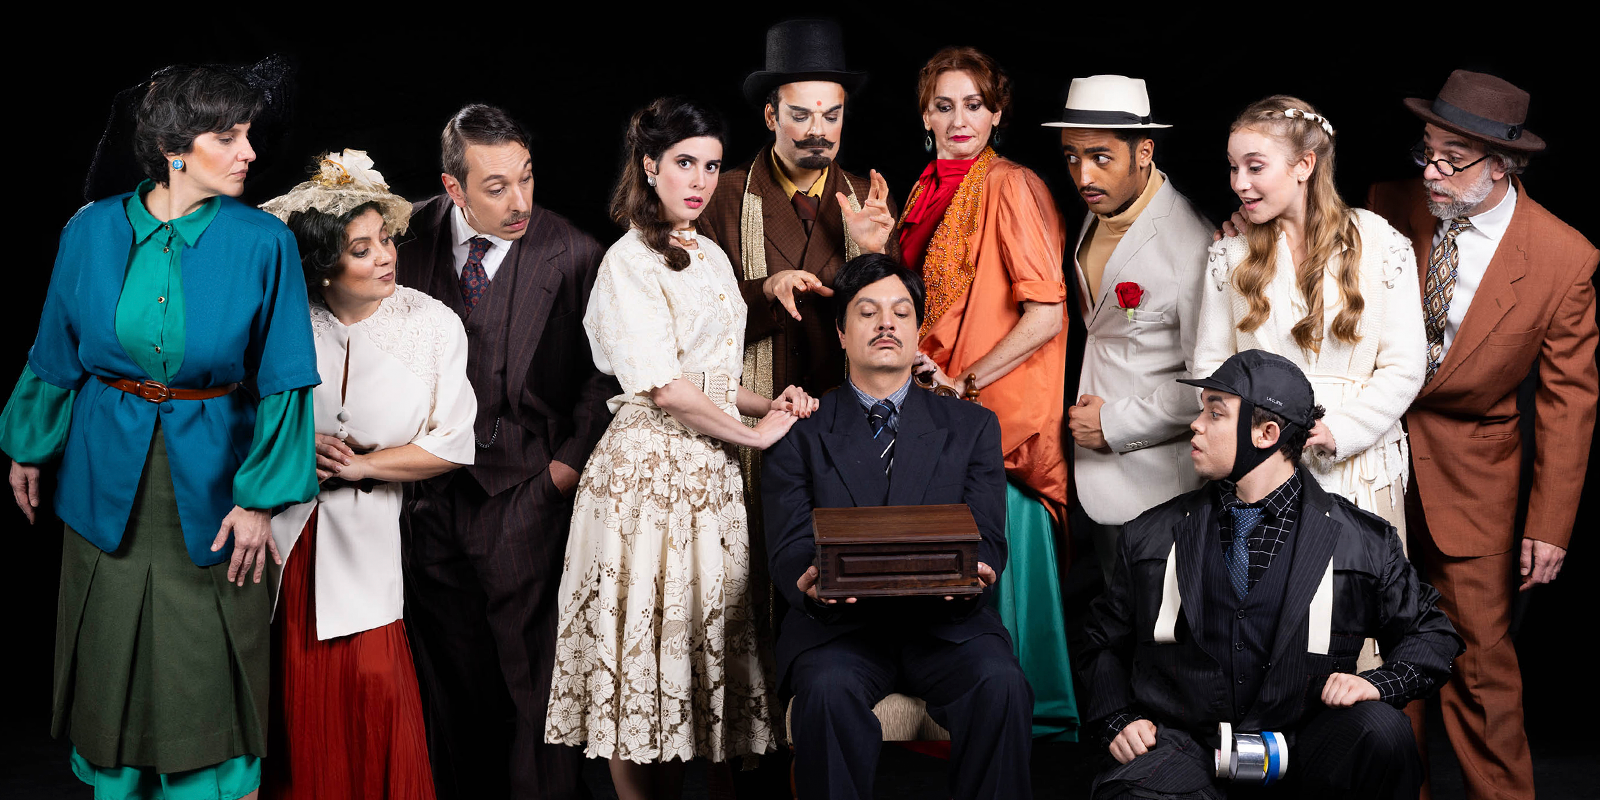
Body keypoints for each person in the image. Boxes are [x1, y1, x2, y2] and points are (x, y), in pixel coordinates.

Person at [0, 64, 318, 800]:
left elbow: (285, 377)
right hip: (100, 471)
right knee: (110, 647)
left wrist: (259, 499)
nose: (248, 153)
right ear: (176, 148)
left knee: (204, 660)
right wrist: (29, 445)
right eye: (227, 137)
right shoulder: (89, 230)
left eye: (248, 135)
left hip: (214, 485)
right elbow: (56, 346)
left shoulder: (263, 241)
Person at [544, 97, 813, 799]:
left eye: (713, 166)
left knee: (701, 654)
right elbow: (664, 388)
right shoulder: (628, 261)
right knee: (640, 656)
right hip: (646, 475)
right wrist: (754, 434)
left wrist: (770, 404)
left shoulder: (711, 253)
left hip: (708, 476)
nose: (699, 180)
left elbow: (711, 380)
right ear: (649, 166)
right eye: (685, 163)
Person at [1078, 349, 1463, 800]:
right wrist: (1117, 719)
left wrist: (1376, 684)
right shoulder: (1151, 535)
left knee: (1383, 732)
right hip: (1188, 751)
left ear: (1266, 434)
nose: (1195, 425)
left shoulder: (1363, 541)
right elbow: (1100, 642)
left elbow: (1432, 634)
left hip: (1307, 752)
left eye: (1215, 413)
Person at [1367, 70, 1598, 800]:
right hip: (1372, 464)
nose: (1430, 172)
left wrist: (1550, 525)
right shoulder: (1387, 203)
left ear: (1503, 164)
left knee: (1478, 668)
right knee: (1380, 655)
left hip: (1475, 482)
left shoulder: (1564, 258)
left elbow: (1568, 400)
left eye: (1452, 160)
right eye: (1426, 151)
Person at [396, 104, 617, 800]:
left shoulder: (574, 253)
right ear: (452, 187)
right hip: (425, 492)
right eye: (496, 187)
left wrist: (563, 473)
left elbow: (605, 376)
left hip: (525, 491)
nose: (520, 201)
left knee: (535, 681)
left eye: (526, 177)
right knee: (450, 677)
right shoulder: (403, 235)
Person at [764, 252, 1033, 799]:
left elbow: (988, 536)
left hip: (948, 624)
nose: (886, 324)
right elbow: (789, 544)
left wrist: (980, 570)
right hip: (838, 630)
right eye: (867, 313)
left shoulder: (973, 425)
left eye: (901, 312)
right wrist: (810, 583)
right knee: (826, 692)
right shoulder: (797, 429)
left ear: (916, 331)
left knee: (1001, 683)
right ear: (841, 334)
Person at [258, 150, 476, 799]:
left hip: (380, 541)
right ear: (323, 266)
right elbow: (245, 418)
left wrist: (362, 465)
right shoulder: (284, 320)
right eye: (362, 249)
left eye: (385, 239)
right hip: (284, 540)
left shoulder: (433, 324)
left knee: (375, 689)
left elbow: (452, 443)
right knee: (292, 698)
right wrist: (296, 447)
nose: (385, 256)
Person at [900, 45, 1075, 740]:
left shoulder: (1012, 184)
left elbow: (1046, 314)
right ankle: (961, 721)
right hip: (935, 419)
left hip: (999, 427)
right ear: (925, 116)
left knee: (994, 571)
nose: (959, 119)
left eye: (974, 105)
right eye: (944, 106)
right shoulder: (924, 190)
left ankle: (1014, 723)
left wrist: (965, 381)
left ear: (997, 113)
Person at [1197, 96, 1425, 580]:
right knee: (1267, 605)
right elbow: (1211, 368)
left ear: (1304, 165)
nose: (1239, 183)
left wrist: (1340, 429)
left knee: (1359, 600)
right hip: (1262, 459)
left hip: (1362, 467)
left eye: (1255, 167)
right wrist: (1255, 436)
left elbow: (1406, 365)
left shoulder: (1380, 243)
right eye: (1233, 167)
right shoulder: (1231, 252)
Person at [1044, 75, 1212, 585]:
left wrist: (1114, 424)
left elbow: (1206, 383)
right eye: (1072, 157)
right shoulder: (1098, 211)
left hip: (1160, 484)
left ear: (1144, 152)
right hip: (1093, 477)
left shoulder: (1193, 244)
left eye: (1101, 157)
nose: (1083, 176)